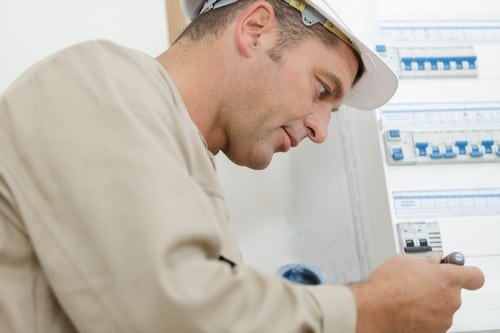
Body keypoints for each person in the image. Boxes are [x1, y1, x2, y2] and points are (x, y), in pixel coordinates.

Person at [0, 0, 484, 332]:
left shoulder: (178, 155)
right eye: (321, 90)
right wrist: (372, 309)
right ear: (255, 29)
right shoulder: (100, 82)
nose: (320, 129)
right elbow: (175, 315)